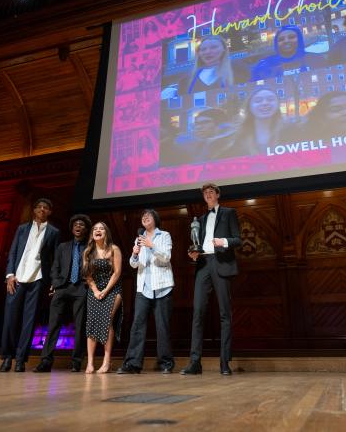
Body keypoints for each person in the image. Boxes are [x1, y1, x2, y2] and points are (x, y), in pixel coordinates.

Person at [182, 183, 241, 376]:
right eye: (205, 193)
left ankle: (225, 363)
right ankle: (194, 362)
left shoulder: (228, 213)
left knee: (225, 314)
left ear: (217, 195)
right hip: (203, 265)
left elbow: (238, 240)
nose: (207, 194)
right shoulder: (199, 219)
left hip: (221, 262)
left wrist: (222, 241)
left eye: (210, 192)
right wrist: (193, 253)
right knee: (198, 313)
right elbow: (196, 243)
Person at [0, 198, 60, 372]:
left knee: (29, 321)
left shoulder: (53, 232)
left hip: (38, 279)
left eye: (45, 208)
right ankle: (7, 357)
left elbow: (54, 259)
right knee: (10, 319)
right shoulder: (22, 229)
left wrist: (53, 281)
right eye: (39, 207)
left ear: (49, 212)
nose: (42, 209)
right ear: (33, 210)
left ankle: (20, 359)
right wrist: (9, 275)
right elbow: (13, 252)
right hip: (16, 278)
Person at [117, 209, 175, 374]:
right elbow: (133, 265)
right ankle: (132, 364)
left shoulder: (164, 235)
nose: (145, 218)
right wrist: (135, 254)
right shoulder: (139, 239)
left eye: (148, 216)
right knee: (137, 325)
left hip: (162, 286)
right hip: (143, 288)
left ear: (155, 219)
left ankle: (166, 363)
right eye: (143, 216)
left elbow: (166, 257)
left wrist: (152, 245)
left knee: (162, 326)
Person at [33, 214, 92, 373]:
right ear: (72, 229)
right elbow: (55, 267)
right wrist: (57, 283)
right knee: (53, 325)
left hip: (81, 288)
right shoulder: (62, 247)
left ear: (86, 229)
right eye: (75, 225)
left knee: (80, 326)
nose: (78, 227)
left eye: (81, 225)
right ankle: (45, 361)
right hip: (62, 287)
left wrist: (87, 282)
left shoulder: (90, 248)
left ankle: (76, 362)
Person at [83, 222, 123, 374]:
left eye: (101, 229)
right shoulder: (88, 251)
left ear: (106, 233)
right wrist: (94, 290)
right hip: (94, 290)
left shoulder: (114, 249)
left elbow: (117, 272)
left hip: (112, 289)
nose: (98, 231)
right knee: (92, 322)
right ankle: (91, 363)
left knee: (107, 320)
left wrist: (105, 291)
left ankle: (106, 361)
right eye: (95, 229)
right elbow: (87, 274)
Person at [216, 86, 288, 158]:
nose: (265, 103)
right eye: (258, 100)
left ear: (278, 105)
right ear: (249, 107)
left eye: (270, 99)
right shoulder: (236, 138)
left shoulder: (291, 130)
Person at [161, 35, 238, 99]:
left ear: (224, 49)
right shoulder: (185, 81)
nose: (207, 52)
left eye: (214, 47)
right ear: (199, 53)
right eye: (203, 49)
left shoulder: (238, 70)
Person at [249, 25, 322, 82]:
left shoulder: (316, 59)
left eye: (291, 37)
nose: (286, 41)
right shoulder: (265, 66)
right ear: (276, 44)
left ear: (299, 39)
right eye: (281, 39)